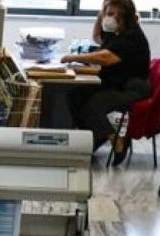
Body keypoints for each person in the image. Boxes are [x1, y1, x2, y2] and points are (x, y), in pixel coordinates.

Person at [62, 0, 150, 166]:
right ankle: (94, 136)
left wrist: (72, 57)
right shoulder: (115, 32)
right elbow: (97, 36)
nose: (107, 18)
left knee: (94, 104)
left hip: (132, 89)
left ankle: (116, 141)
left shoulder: (131, 36)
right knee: (75, 96)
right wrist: (102, 14)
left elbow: (105, 58)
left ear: (124, 16)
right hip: (115, 83)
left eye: (111, 14)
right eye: (106, 14)